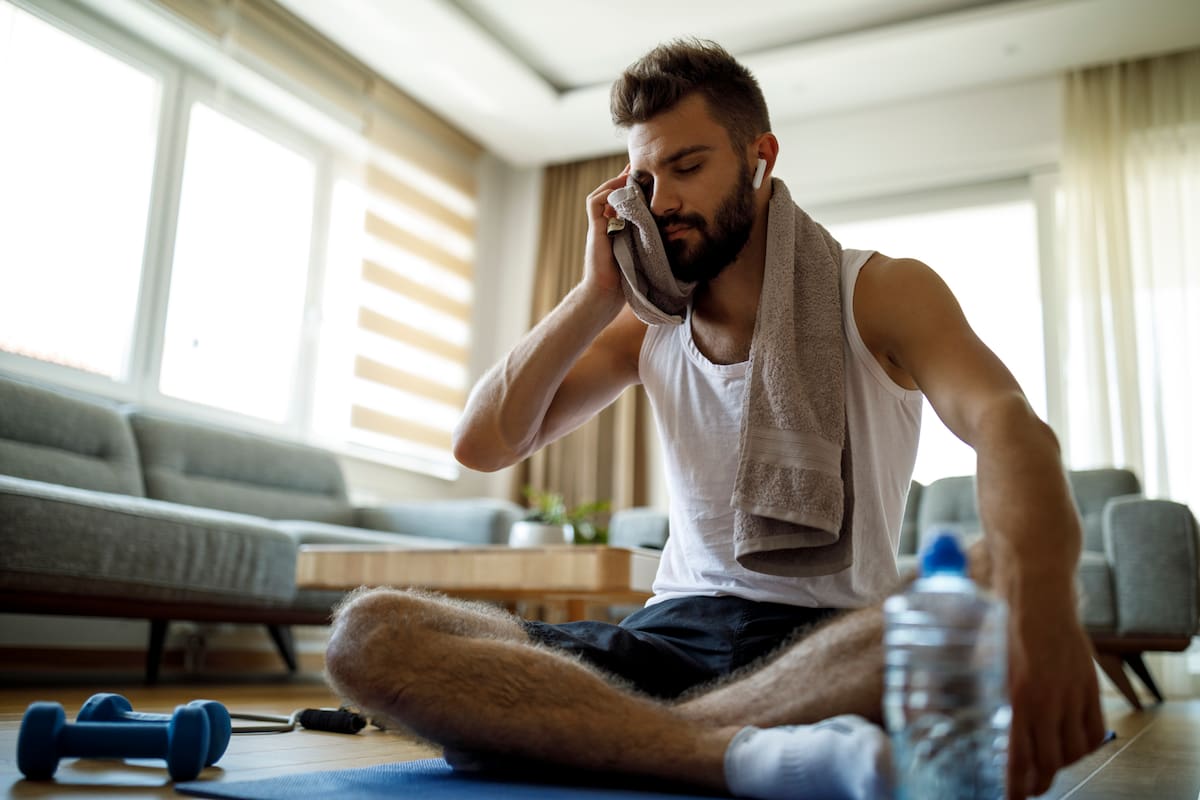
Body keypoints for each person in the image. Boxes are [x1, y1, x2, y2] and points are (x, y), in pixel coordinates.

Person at [326, 39, 1104, 800]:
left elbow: (1008, 422)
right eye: (644, 177)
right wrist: (597, 293)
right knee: (371, 634)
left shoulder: (880, 291)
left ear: (761, 156)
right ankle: (732, 756)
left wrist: (1044, 601)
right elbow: (485, 444)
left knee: (980, 575)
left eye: (688, 167)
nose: (662, 201)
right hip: (664, 639)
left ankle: (596, 737)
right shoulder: (646, 326)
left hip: (826, 643)